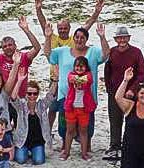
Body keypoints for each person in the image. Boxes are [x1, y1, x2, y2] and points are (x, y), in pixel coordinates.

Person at [36, 0, 103, 137]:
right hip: (55, 80)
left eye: (65, 28)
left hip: (74, 82)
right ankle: (47, 131)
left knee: (71, 108)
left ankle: (76, 134)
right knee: (52, 108)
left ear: (69, 29)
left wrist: (96, 12)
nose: (62, 31)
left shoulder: (75, 39)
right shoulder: (53, 38)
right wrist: (38, 9)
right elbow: (43, 23)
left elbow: (88, 24)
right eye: (60, 28)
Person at [44, 21, 111, 151]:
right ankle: (65, 145)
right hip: (66, 96)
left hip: (87, 96)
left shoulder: (93, 51)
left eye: (82, 37)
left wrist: (102, 37)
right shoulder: (63, 51)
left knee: (87, 125)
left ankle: (87, 147)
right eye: (77, 37)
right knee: (64, 124)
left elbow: (106, 54)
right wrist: (48, 37)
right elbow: (48, 54)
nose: (79, 40)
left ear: (86, 39)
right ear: (73, 38)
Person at [102, 26, 144, 161]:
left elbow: (142, 74)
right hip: (114, 92)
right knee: (115, 120)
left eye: (124, 37)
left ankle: (131, 145)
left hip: (132, 93)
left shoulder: (136, 52)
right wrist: (109, 89)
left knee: (133, 120)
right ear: (116, 39)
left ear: (129, 38)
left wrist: (132, 89)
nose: (122, 40)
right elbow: (107, 71)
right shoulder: (112, 52)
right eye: (119, 38)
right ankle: (115, 146)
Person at [11, 69, 54, 165]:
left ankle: (33, 151)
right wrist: (19, 81)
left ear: (38, 94)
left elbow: (51, 95)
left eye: (35, 94)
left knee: (39, 161)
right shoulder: (21, 106)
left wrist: (55, 81)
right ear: (26, 94)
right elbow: (13, 97)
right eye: (29, 93)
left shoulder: (41, 106)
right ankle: (27, 151)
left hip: (38, 142)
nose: (32, 96)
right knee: (21, 160)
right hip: (23, 141)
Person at [63, 56, 96, 160]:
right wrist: (77, 79)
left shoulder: (89, 75)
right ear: (74, 67)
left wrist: (78, 79)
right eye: (77, 66)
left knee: (83, 131)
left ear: (86, 67)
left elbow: (88, 79)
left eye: (82, 67)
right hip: (71, 108)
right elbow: (71, 78)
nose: (79, 68)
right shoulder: (71, 75)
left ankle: (84, 153)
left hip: (84, 109)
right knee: (70, 131)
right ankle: (66, 152)